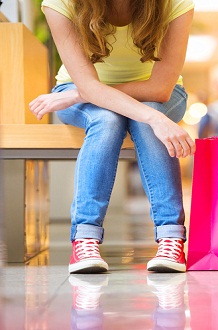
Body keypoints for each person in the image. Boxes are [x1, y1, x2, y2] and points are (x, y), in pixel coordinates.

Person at [29, 0, 195, 273]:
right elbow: (90, 87)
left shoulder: (175, 3)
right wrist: (152, 117)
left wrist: (82, 94)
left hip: (157, 93)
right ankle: (85, 238)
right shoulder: (60, 3)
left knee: (148, 113)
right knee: (109, 118)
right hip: (79, 89)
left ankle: (171, 236)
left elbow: (160, 89)